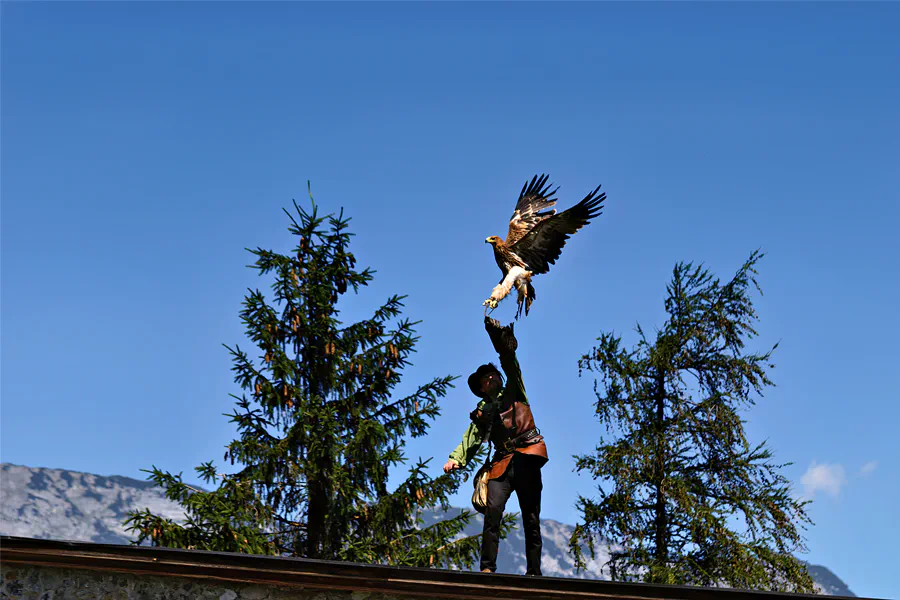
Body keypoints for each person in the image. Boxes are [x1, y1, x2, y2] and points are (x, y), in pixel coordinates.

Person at [443, 317, 548, 576]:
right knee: (492, 515)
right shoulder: (482, 411)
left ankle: (534, 572)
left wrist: (503, 347)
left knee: (531, 519)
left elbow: (511, 366)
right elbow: (472, 437)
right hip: (501, 465)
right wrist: (456, 458)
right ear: (482, 387)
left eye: (492, 373)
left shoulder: (515, 390)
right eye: (486, 377)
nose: (491, 377)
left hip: (527, 456)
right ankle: (487, 569)